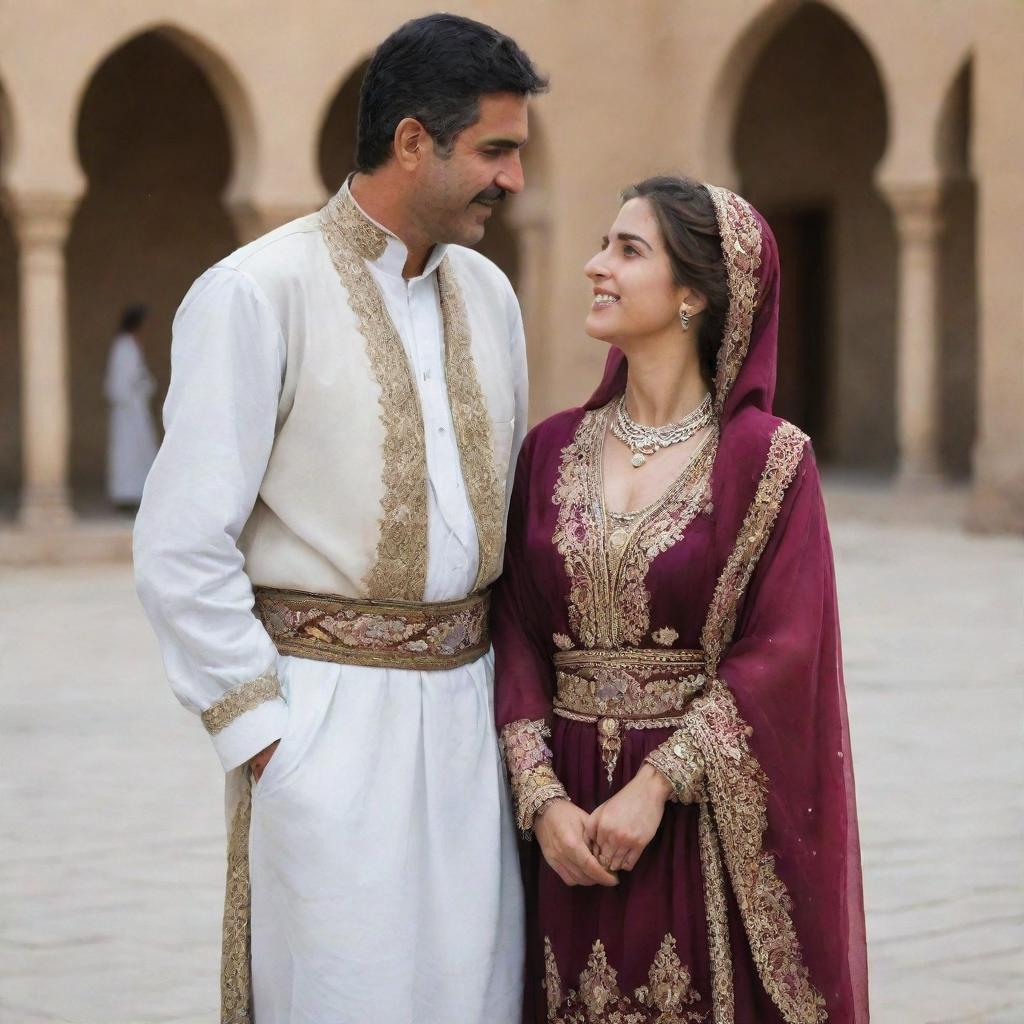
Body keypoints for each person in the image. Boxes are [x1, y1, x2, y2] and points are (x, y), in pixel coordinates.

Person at [134, 15, 547, 1024]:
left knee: (475, 993)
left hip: (468, 720)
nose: (515, 180)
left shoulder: (491, 296)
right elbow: (180, 544)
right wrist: (273, 744)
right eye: (496, 150)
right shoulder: (253, 293)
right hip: (325, 726)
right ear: (415, 140)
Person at [493, 176, 868, 1023]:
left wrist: (657, 784)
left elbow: (783, 650)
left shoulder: (769, 462)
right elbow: (515, 625)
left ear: (695, 291)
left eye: (628, 251)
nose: (596, 266)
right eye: (602, 244)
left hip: (693, 819)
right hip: (567, 814)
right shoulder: (550, 450)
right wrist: (540, 793)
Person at [104, 303, 158, 509]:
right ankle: (126, 496)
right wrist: (144, 385)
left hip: (136, 410)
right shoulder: (124, 346)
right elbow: (120, 384)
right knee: (128, 453)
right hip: (128, 412)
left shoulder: (131, 345)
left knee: (140, 452)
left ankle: (138, 494)